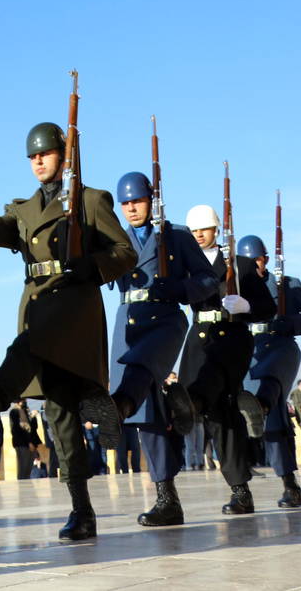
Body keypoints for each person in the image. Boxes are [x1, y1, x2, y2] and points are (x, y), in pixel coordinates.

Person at [0, 120, 136, 542]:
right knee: (60, 413)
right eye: (32, 156)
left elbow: (125, 252)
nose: (38, 161)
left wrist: (93, 266)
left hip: (74, 307)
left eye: (45, 153)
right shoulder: (23, 210)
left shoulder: (91, 200)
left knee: (27, 348)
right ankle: (82, 510)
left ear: (65, 157)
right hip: (37, 302)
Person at [106, 172, 218, 523]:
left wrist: (180, 290)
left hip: (166, 319)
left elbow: (207, 279)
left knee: (133, 389)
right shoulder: (116, 239)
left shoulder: (177, 237)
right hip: (128, 321)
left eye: (136, 201)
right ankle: (166, 499)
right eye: (125, 203)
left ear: (151, 200)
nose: (131, 209)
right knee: (144, 415)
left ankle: (135, 406)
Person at [175, 204, 275, 514]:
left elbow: (268, 308)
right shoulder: (186, 265)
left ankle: (196, 404)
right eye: (193, 231)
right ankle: (240, 491)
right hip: (198, 338)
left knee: (212, 385)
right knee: (219, 417)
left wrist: (246, 306)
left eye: (203, 229)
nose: (198, 235)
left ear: (216, 229)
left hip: (231, 336)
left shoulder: (241, 265)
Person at [237, 235, 301, 508]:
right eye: (250, 261)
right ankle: (239, 490)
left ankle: (289, 484)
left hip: (278, 350)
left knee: (273, 418)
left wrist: (290, 323)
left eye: (259, 259)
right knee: (236, 419)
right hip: (248, 356)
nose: (256, 265)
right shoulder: (236, 287)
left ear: (266, 258)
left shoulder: (287, 285)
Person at [9, 401, 42, 480]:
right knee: (23, 469)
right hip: (22, 444)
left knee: (29, 469)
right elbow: (17, 430)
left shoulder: (25, 410)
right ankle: (22, 489)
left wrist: (33, 417)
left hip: (30, 443)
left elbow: (33, 428)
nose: (24, 401)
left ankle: (27, 489)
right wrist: (28, 443)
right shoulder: (14, 412)